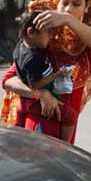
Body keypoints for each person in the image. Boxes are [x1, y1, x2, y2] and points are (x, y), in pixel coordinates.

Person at [0, 0, 91, 144]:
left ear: (87, 7)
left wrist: (68, 20)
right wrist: (40, 93)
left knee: (62, 159)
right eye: (64, 3)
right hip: (42, 112)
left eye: (76, 4)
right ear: (57, 3)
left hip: (67, 117)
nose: (68, 9)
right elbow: (9, 79)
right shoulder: (44, 35)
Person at [13, 12, 77, 143]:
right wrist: (56, 75)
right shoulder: (32, 58)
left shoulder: (22, 46)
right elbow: (35, 85)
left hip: (25, 101)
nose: (51, 35)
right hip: (40, 101)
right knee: (70, 116)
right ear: (31, 32)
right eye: (47, 31)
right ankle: (65, 146)